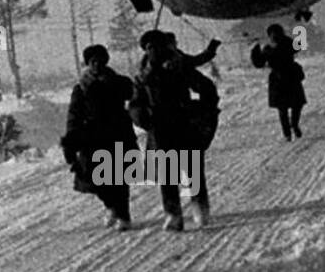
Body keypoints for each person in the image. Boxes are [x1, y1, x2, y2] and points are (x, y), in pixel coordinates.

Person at [131, 30, 218, 231]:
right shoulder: (143, 77)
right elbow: (135, 104)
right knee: (166, 175)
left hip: (184, 124)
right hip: (160, 129)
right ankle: (173, 214)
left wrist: (202, 110)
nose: (154, 51)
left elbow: (206, 87)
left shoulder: (181, 68)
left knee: (193, 171)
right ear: (145, 50)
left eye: (157, 46)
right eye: (149, 48)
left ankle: (200, 209)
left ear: (165, 47)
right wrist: (143, 118)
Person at [62, 44, 137, 231]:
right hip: (92, 139)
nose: (96, 65)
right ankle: (110, 206)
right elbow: (74, 114)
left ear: (105, 61)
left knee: (119, 178)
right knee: (96, 179)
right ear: (87, 64)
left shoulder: (117, 82)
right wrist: (71, 139)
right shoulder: (81, 88)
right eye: (92, 61)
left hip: (117, 135)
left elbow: (132, 93)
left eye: (100, 61)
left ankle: (123, 215)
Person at [251, 24, 306, 141]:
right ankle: (287, 132)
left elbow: (299, 46)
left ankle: (294, 125)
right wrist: (255, 47)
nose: (274, 36)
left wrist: (300, 29)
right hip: (281, 79)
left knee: (295, 106)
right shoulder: (268, 48)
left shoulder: (287, 43)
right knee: (284, 108)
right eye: (272, 33)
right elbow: (258, 63)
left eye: (276, 33)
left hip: (288, 77)